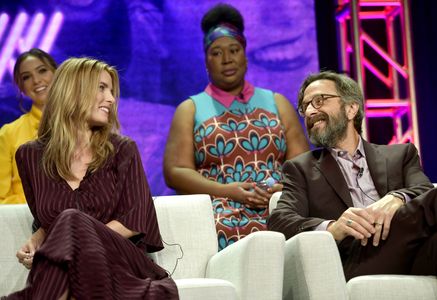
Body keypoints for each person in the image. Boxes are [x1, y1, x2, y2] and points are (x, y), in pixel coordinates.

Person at [2, 58, 178, 299]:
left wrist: (76, 241)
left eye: (112, 91)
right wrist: (38, 240)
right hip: (68, 268)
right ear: (73, 90)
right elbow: (46, 219)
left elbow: (134, 221)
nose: (111, 99)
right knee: (68, 257)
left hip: (121, 262)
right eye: (102, 88)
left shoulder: (123, 150)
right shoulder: (29, 156)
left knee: (72, 221)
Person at [268, 71, 437, 284]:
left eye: (319, 101)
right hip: (357, 259)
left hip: (413, 251)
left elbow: (424, 189)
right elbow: (280, 220)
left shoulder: (400, 154)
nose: (311, 111)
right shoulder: (301, 168)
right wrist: (333, 228)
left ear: (351, 108)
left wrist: (396, 198)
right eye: (305, 107)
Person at [163, 3, 309, 250]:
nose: (227, 59)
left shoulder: (276, 103)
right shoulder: (191, 109)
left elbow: (303, 165)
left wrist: (279, 190)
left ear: (245, 53)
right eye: (216, 53)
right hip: (220, 213)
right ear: (206, 61)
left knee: (305, 237)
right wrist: (227, 191)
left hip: (277, 205)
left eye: (234, 50)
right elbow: (175, 171)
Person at [0, 48, 57, 204]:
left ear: (57, 74)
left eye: (42, 71)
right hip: (24, 222)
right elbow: (1, 198)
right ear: (21, 87)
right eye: (26, 77)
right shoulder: (8, 133)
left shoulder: (83, 126)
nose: (36, 80)